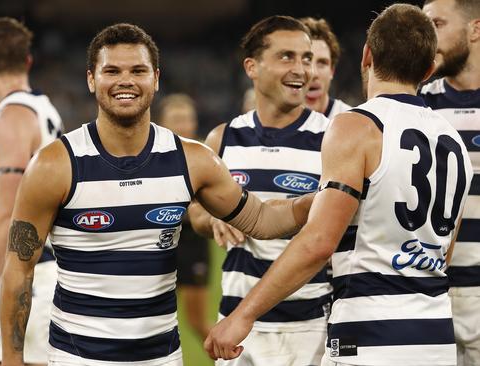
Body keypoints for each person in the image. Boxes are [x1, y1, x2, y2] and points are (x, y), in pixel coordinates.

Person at [0, 23, 316, 366]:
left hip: (162, 359)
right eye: (112, 71)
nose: (126, 80)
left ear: (156, 78)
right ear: (91, 79)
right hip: (76, 358)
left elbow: (264, 220)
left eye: (138, 70)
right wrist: (11, 360)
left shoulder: (192, 160)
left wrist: (334, 195)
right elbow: (19, 270)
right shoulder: (53, 165)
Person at [204, 4, 472, 366]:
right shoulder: (452, 139)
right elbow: (445, 253)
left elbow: (318, 242)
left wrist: (242, 315)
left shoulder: (356, 126)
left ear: (367, 56)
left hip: (369, 334)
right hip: (435, 334)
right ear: (427, 69)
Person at [190, 15, 332, 366]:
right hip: (237, 329)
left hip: (309, 327)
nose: (302, 70)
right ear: (252, 67)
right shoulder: (222, 139)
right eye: (287, 57)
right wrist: (213, 220)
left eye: (307, 58)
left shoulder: (334, 139)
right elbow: (194, 211)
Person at [0, 17, 63, 366]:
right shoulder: (44, 110)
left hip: (22, 281)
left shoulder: (11, 118)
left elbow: (7, 214)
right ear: (27, 61)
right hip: (39, 276)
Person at [420, 0, 480, 364]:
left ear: (476, 29)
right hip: (428, 292)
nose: (427, 38)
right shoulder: (414, 106)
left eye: (438, 24)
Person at [156, 93, 212, 341]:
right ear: (162, 122)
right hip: (157, 244)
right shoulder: (152, 157)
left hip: (192, 243)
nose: (182, 125)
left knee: (197, 321)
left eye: (186, 119)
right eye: (176, 119)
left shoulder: (206, 157)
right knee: (151, 320)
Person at [300, 17, 351, 119]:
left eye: (322, 63)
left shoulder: (353, 122)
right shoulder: (269, 123)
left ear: (332, 71)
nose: (314, 73)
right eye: (306, 61)